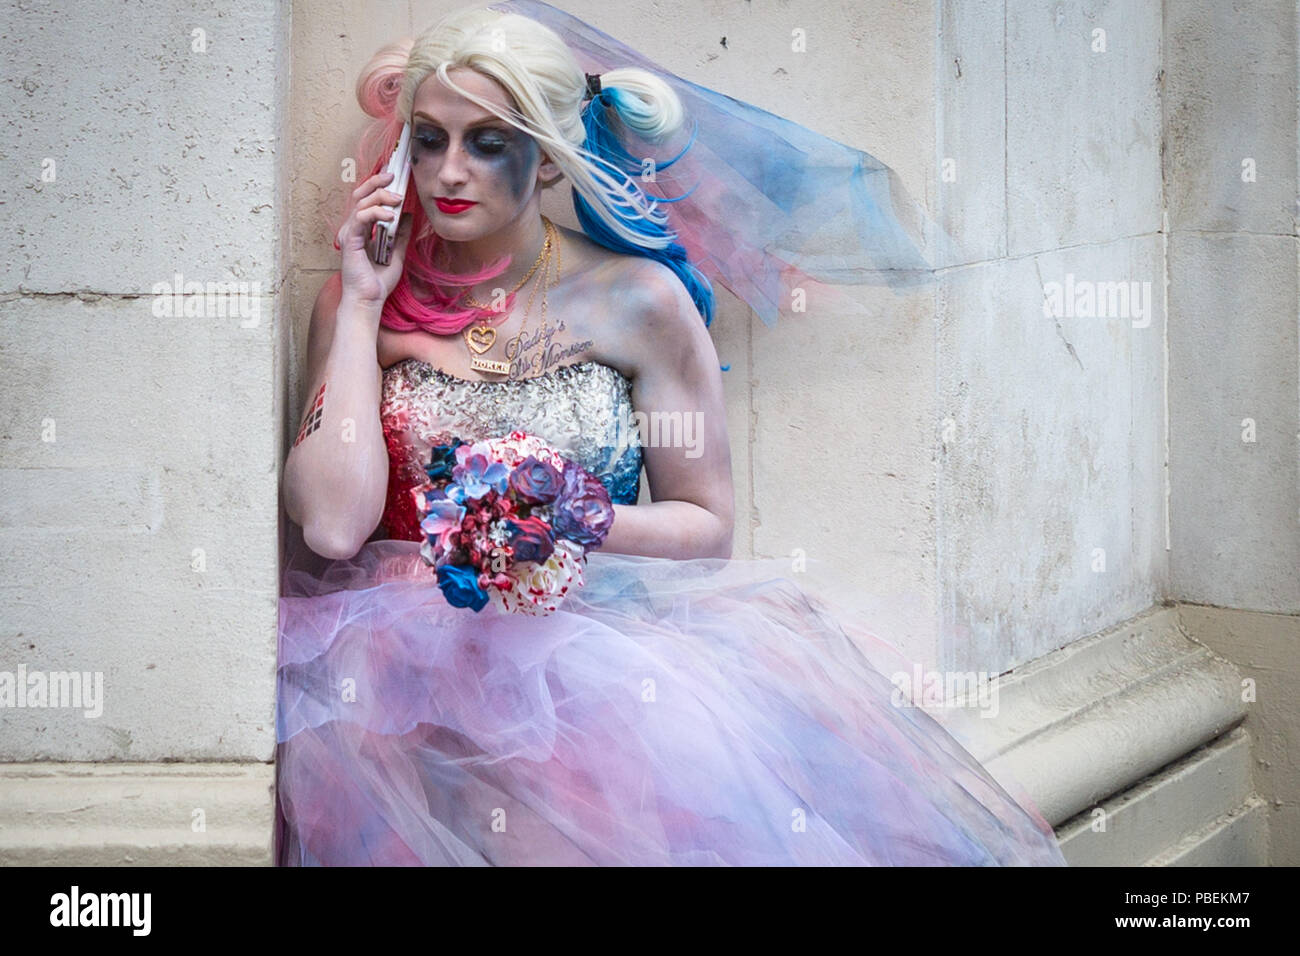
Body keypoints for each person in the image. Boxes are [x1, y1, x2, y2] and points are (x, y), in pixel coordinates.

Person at [275, 2, 1068, 866]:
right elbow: (331, 527)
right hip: (395, 693)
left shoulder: (639, 299)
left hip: (601, 675)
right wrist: (357, 303)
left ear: (547, 159)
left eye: (488, 142)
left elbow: (706, 529)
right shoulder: (359, 302)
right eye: (428, 139)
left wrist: (569, 517)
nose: (449, 172)